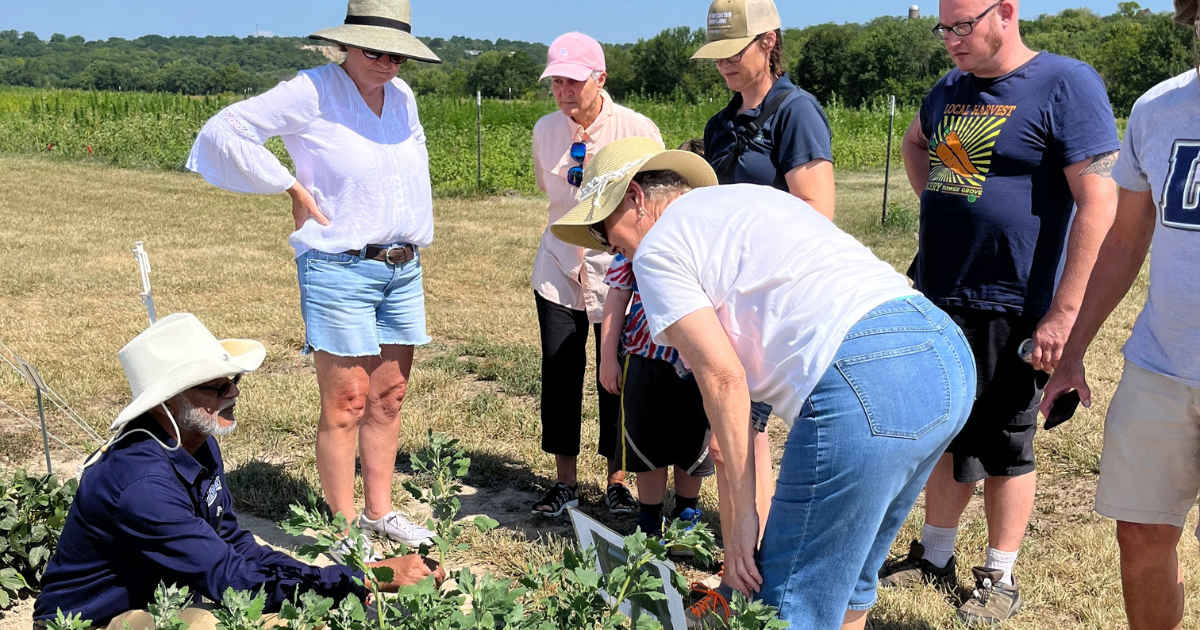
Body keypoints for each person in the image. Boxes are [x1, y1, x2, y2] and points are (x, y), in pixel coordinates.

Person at [550, 137, 975, 630]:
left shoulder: (657, 250)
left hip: (865, 381)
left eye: (603, 229)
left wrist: (744, 527)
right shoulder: (750, 202)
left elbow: (724, 382)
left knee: (783, 607)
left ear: (636, 199)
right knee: (847, 582)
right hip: (945, 357)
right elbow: (739, 416)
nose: (609, 247)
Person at [882, 0, 1120, 623]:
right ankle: (934, 555)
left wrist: (1063, 315)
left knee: (1007, 442)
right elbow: (916, 143)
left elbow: (1098, 203)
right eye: (944, 28)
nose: (951, 41)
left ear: (1006, 13)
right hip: (941, 292)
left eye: (962, 26)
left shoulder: (1065, 83)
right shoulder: (950, 88)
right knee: (945, 432)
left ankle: (999, 572)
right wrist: (947, 199)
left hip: (1015, 303)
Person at [185, 0, 442, 555]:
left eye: (398, 54)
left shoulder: (402, 96)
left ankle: (380, 512)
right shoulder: (313, 89)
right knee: (347, 400)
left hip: (402, 266)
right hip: (338, 265)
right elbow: (227, 128)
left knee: (389, 396)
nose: (387, 62)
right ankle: (346, 531)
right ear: (345, 44)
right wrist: (289, 185)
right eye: (374, 49)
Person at [34, 314, 444, 630]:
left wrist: (336, 582)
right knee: (219, 622)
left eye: (231, 380)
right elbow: (230, 579)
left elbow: (234, 546)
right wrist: (365, 578)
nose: (233, 393)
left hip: (153, 602)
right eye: (213, 387)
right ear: (166, 404)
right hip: (89, 621)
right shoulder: (141, 486)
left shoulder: (195, 440)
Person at [1041, 3, 1200, 627]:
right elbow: (1127, 238)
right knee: (1139, 535)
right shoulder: (1160, 111)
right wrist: (1074, 347)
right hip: (1162, 364)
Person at [529, 32, 664, 518]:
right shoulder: (546, 130)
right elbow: (553, 195)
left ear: (600, 78)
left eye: (573, 81)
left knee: (618, 377)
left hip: (617, 271)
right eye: (556, 82)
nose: (564, 91)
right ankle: (564, 481)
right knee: (560, 369)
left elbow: (652, 204)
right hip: (559, 267)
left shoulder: (637, 129)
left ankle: (618, 480)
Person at [599, 250, 714, 542]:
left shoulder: (705, 243)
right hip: (643, 357)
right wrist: (607, 357)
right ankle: (649, 518)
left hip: (699, 357)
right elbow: (616, 298)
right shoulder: (634, 247)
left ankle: (687, 517)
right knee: (647, 445)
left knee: (691, 443)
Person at [692, 0, 835, 220]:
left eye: (733, 53)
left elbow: (817, 211)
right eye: (717, 56)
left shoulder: (796, 112)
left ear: (768, 41)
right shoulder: (717, 125)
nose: (723, 65)